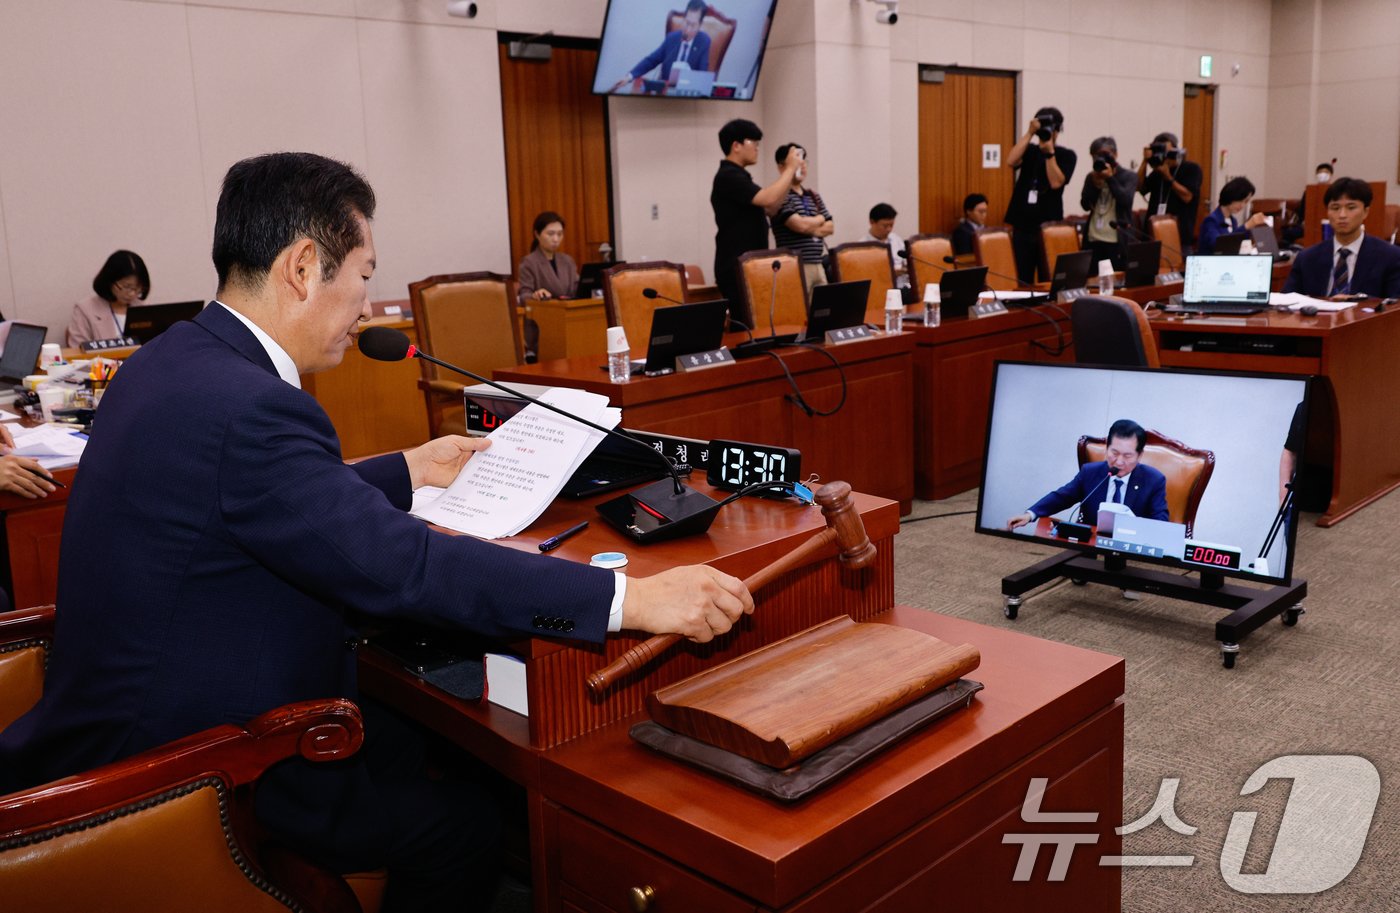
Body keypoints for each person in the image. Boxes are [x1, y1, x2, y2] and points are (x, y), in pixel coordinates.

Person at [0, 152, 753, 911]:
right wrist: (630, 599)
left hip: (133, 705)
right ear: (303, 267)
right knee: (464, 827)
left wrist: (407, 469)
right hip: (196, 769)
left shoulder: (173, 360)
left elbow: (256, 502)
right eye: (364, 274)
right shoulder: (254, 407)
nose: (366, 306)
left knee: (418, 736)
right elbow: (407, 567)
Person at [1006, 419, 1169, 531]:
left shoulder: (1154, 480)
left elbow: (1161, 524)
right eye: (1114, 453)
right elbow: (1062, 497)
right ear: (1107, 448)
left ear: (1139, 455)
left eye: (1127, 456)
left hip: (1131, 552)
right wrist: (1030, 514)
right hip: (1091, 548)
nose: (1119, 462)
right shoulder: (1090, 472)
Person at [711, 119, 801, 315]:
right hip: (735, 265)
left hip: (750, 263)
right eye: (753, 143)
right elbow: (767, 198)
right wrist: (789, 169)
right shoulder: (728, 175)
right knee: (746, 323)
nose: (757, 148)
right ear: (736, 146)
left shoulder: (741, 176)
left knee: (759, 320)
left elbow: (772, 206)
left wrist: (790, 177)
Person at [1283, 177, 1400, 299]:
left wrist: (1356, 302)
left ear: (1366, 212)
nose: (1342, 215)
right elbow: (1285, 301)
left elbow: (1395, 304)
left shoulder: (1390, 256)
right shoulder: (1307, 258)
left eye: (1351, 207)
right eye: (1335, 208)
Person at [1004, 107, 1076, 282]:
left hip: (1048, 226)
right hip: (1022, 225)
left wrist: (1049, 154)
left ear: (1057, 131)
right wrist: (1029, 133)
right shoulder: (1029, 150)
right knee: (1022, 278)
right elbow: (1011, 161)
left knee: (1048, 277)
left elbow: (1056, 182)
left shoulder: (1066, 155)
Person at [770, 143, 833, 299]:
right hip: (795, 265)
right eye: (797, 161)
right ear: (781, 167)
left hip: (818, 263)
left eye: (804, 160)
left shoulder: (813, 195)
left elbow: (830, 227)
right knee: (799, 308)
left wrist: (808, 225)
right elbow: (799, 225)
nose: (802, 165)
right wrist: (820, 219)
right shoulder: (780, 196)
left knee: (822, 308)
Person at [516, 211, 578, 360]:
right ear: (537, 234)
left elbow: (577, 289)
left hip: (570, 324)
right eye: (550, 234)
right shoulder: (529, 262)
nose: (556, 239)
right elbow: (524, 295)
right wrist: (535, 295)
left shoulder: (567, 261)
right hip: (543, 328)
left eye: (560, 234)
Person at [611, 0, 711, 91]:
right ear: (684, 19)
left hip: (688, 93)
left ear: (700, 25)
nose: (688, 29)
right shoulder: (672, 38)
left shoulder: (704, 42)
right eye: (687, 22)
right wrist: (629, 77)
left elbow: (702, 76)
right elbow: (651, 60)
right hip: (665, 93)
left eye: (693, 25)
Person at [66, 249, 149, 347]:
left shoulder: (142, 308)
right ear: (110, 280)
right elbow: (77, 349)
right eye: (126, 286)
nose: (132, 293)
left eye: (137, 288)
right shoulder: (85, 309)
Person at [1137, 132, 1203, 251]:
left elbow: (1187, 197)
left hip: (1179, 238)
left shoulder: (1191, 169)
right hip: (1152, 236)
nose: (1164, 157)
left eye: (1166, 152)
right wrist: (1145, 161)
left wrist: (1168, 177)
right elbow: (1139, 187)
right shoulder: (1158, 172)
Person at [1078, 137, 1138, 269]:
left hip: (1116, 241)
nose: (1101, 159)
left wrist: (1110, 178)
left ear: (1115, 154)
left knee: (1116, 278)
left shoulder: (1129, 176)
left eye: (1105, 155)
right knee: (1092, 279)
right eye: (1096, 156)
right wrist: (1095, 186)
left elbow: (1125, 201)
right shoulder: (1092, 177)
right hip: (1093, 239)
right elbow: (1085, 205)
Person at [1197, 177, 1269, 254]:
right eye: (1240, 200)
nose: (1242, 205)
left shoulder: (1233, 221)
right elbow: (1218, 246)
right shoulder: (1211, 220)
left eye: (1245, 202)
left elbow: (1237, 244)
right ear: (1232, 196)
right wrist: (1247, 225)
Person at [1284, 160, 1333, 244]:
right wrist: (1302, 222)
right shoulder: (1309, 192)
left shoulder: (1334, 191)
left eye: (1325, 172)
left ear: (1330, 175)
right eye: (1320, 172)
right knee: (1288, 233)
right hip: (1309, 225)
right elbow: (1302, 211)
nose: (1322, 175)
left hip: (1329, 225)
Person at [863, 202, 908, 291]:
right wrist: (890, 273)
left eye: (891, 225)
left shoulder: (896, 239)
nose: (889, 229)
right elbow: (866, 274)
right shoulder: (862, 246)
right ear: (872, 222)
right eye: (885, 226)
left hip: (903, 287)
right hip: (879, 290)